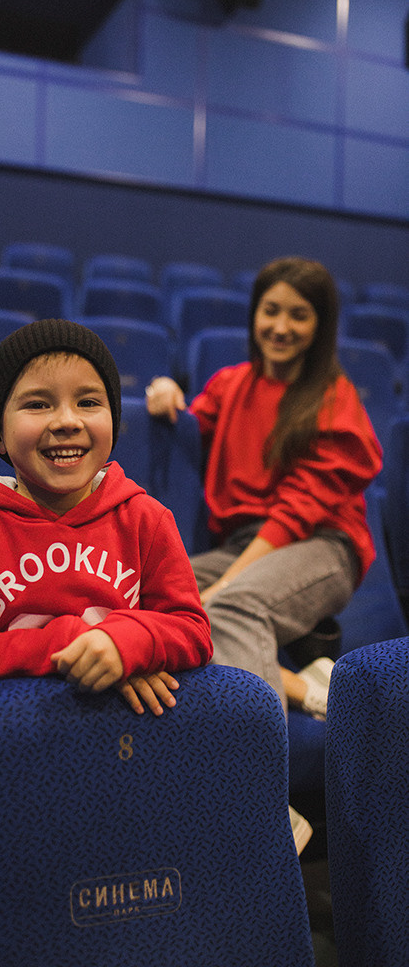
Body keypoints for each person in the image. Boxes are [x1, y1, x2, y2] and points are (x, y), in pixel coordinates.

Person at [0, 318, 212, 716]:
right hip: (13, 741)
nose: (66, 421)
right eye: (37, 404)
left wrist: (127, 644)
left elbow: (193, 630)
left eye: (89, 402)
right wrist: (73, 641)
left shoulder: (147, 518)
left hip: (124, 744)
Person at [146, 256, 382, 720]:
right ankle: (299, 685)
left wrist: (226, 586)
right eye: (270, 310)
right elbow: (193, 420)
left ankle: (265, 781)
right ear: (254, 314)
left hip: (321, 543)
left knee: (233, 607)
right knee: (152, 596)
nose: (280, 326)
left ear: (321, 325)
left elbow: (294, 515)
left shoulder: (335, 399)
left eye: (299, 314)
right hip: (241, 544)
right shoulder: (231, 384)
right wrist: (165, 389)